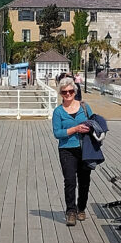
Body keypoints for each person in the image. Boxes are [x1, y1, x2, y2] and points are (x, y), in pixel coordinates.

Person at [52, 77, 93, 227]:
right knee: (69, 181)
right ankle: (70, 211)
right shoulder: (58, 112)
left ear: (75, 92)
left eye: (70, 91)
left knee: (84, 181)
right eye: (64, 92)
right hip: (67, 149)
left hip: (85, 148)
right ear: (61, 94)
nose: (68, 94)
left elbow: (94, 122)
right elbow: (57, 133)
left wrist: (89, 128)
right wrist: (75, 129)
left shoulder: (84, 107)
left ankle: (81, 208)